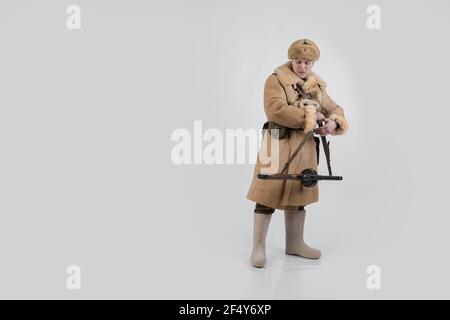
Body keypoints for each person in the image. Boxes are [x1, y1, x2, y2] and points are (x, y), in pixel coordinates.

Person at [246, 38, 348, 268]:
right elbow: (276, 110)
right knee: (266, 192)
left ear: (313, 64)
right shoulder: (275, 80)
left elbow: (333, 108)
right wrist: (312, 116)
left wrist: (333, 122)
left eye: (307, 62)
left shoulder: (317, 86)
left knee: (299, 191)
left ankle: (295, 243)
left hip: (303, 147)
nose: (302, 67)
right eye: (298, 61)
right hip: (277, 142)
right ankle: (258, 247)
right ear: (291, 59)